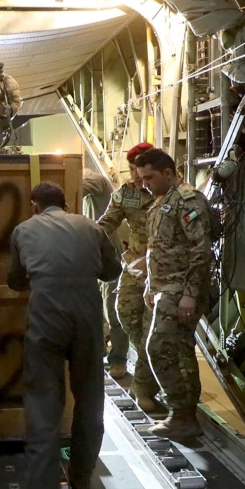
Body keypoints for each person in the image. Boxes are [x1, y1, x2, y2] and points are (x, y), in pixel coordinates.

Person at [8, 182, 121, 489]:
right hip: (87, 316)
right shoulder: (92, 227)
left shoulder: (24, 229)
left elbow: (15, 281)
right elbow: (112, 270)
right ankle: (82, 481)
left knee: (44, 409)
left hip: (46, 318)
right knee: (90, 400)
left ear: (34, 205)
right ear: (68, 203)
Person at [134, 148, 213, 440]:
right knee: (180, 351)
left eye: (150, 177)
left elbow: (200, 250)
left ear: (168, 173)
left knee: (158, 348)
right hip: (166, 288)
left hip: (181, 289)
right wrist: (151, 286)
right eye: (142, 178)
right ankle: (185, 415)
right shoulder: (161, 202)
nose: (145, 184)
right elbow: (158, 249)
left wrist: (190, 294)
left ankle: (180, 412)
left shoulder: (187, 200)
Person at [98, 143, 162, 414]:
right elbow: (106, 223)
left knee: (152, 333)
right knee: (124, 315)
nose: (137, 177)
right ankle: (146, 375)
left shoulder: (167, 193)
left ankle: (144, 389)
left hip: (162, 270)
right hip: (135, 267)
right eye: (134, 170)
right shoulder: (126, 193)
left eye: (142, 171)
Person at [81, 168, 127, 386]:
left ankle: (118, 359)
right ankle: (98, 355)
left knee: (112, 309)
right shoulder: (86, 195)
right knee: (93, 308)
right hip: (87, 254)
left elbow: (83, 185)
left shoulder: (96, 181)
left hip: (108, 253)